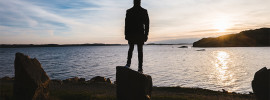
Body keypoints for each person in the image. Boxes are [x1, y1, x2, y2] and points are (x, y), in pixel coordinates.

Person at [124, 0, 149, 73]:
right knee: (132, 49)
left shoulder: (143, 11)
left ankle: (140, 68)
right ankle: (129, 64)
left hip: (139, 34)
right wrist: (126, 34)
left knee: (139, 50)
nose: (137, 2)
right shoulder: (129, 11)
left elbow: (147, 24)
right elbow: (126, 24)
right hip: (132, 34)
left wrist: (146, 35)